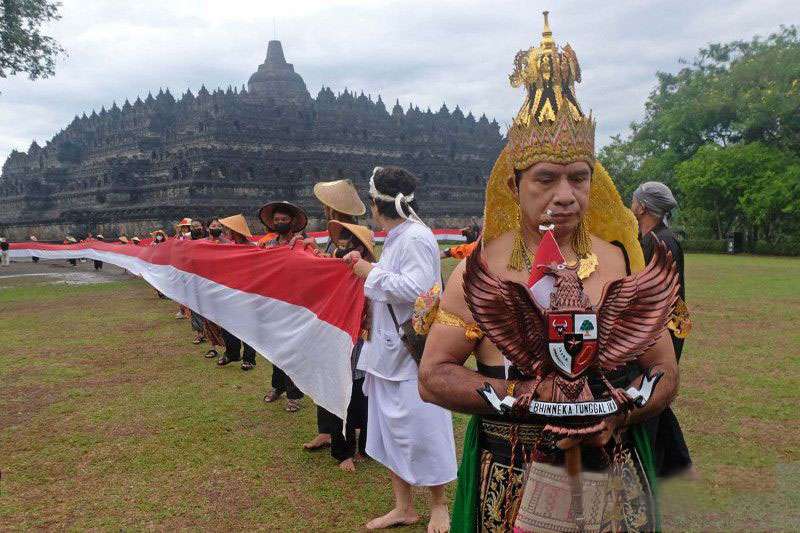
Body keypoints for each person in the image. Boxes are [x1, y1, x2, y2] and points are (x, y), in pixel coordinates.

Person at [418, 14, 676, 532]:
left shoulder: (624, 260)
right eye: (545, 178)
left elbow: (664, 372)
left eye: (578, 177)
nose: (565, 195)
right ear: (514, 186)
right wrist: (530, 398)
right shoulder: (481, 270)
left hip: (615, 473)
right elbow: (434, 375)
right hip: (512, 476)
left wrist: (617, 414)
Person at [343, 166, 456, 532]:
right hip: (385, 352)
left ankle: (438, 504)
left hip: (409, 354)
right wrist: (366, 266)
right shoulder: (396, 237)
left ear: (378, 205)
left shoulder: (415, 237)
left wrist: (370, 273)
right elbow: (395, 279)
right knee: (390, 433)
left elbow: (420, 289)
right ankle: (404, 506)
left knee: (425, 429)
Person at [632, 181, 697, 480]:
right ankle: (677, 464)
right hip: (657, 330)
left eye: (634, 200)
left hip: (661, 333)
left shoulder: (660, 242)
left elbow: (654, 299)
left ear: (642, 207)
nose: (631, 204)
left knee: (650, 396)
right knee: (654, 399)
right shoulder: (652, 238)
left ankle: (653, 469)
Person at [298, 178, 367, 452]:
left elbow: (351, 269)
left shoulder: (354, 236)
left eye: (326, 205)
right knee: (325, 371)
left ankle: (346, 436)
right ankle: (325, 430)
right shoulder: (333, 235)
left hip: (346, 315)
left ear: (332, 207)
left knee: (344, 375)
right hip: (329, 313)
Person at [327, 220, 374, 472]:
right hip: (340, 338)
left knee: (366, 396)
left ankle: (367, 447)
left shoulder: (375, 272)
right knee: (340, 393)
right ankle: (343, 451)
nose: (344, 247)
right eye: (343, 242)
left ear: (362, 249)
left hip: (367, 342)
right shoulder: (334, 268)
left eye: (351, 243)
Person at [260, 201, 309, 412]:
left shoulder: (302, 244)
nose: (280, 222)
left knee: (293, 350)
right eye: (277, 220)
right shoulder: (267, 246)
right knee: (275, 348)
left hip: (296, 304)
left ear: (293, 221)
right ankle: (278, 386)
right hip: (273, 303)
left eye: (284, 219)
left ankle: (294, 395)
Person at [215, 214, 259, 371]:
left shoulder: (252, 248)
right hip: (230, 292)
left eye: (228, 229)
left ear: (235, 231)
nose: (225, 232)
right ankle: (232, 353)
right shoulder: (226, 247)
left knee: (248, 326)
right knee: (228, 323)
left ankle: (249, 359)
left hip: (248, 293)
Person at [201, 218, 228, 359]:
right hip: (205, 283)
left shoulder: (227, 244)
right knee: (208, 317)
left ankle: (229, 347)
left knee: (224, 317)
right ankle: (212, 347)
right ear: (208, 228)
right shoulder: (202, 244)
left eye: (219, 226)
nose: (216, 228)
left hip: (223, 284)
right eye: (213, 225)